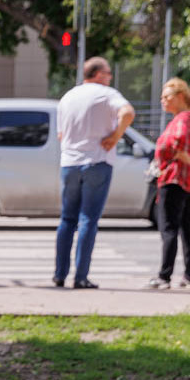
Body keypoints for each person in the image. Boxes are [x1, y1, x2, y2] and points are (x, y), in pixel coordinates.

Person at [53, 57, 135, 289]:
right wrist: (115, 137)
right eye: (108, 73)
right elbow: (128, 113)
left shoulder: (68, 97)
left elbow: (61, 135)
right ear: (98, 74)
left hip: (69, 163)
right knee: (88, 219)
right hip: (97, 162)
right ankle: (81, 276)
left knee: (67, 220)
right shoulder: (106, 94)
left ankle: (60, 274)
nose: (110, 78)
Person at [147, 78, 190, 291]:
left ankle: (164, 276)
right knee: (188, 229)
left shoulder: (181, 120)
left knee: (168, 229)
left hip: (174, 180)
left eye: (166, 97)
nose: (163, 101)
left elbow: (172, 142)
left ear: (179, 97)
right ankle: (189, 276)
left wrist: (172, 152)